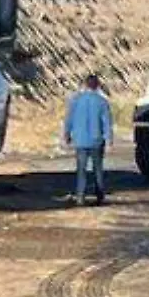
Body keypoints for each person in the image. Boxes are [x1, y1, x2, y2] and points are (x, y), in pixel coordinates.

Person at [63, 73, 113, 206]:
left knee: (81, 170)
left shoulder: (75, 100)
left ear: (85, 85)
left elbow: (69, 119)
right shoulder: (102, 102)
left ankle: (80, 196)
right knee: (98, 169)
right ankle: (99, 196)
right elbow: (107, 122)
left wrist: (67, 135)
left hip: (80, 140)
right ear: (97, 86)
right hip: (97, 140)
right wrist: (109, 140)